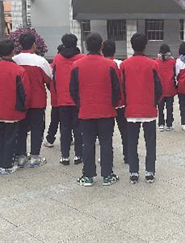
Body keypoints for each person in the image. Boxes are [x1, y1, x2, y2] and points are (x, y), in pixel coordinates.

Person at [71, 33, 121, 187]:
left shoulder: (77, 65)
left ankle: (88, 176)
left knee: (88, 143)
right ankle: (107, 175)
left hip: (86, 111)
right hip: (106, 111)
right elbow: (117, 90)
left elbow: (73, 90)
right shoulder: (110, 65)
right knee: (106, 143)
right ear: (101, 46)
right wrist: (112, 104)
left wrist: (81, 104)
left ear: (86, 46)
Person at [120, 33, 162, 184]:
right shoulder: (153, 64)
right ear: (145, 46)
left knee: (132, 142)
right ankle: (149, 172)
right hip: (148, 109)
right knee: (150, 142)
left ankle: (134, 172)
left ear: (131, 45)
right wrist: (154, 103)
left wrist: (126, 103)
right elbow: (159, 88)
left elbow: (122, 88)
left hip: (131, 109)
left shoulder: (124, 65)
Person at [0, 40, 31, 175]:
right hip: (12, 110)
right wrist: (24, 107)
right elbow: (25, 93)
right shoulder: (19, 70)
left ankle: (0, 163)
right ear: (13, 52)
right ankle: (7, 165)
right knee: (10, 138)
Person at [13, 34, 52, 168]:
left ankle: (21, 155)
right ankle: (35, 156)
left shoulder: (14, 60)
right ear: (34, 44)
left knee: (21, 128)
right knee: (37, 128)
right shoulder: (40, 61)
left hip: (20, 101)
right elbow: (48, 79)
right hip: (37, 100)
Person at [52, 34, 84, 166]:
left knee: (64, 128)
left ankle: (65, 156)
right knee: (78, 128)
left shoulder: (57, 58)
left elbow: (53, 77)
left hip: (62, 99)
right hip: (78, 99)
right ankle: (78, 155)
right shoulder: (82, 58)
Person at [103, 40, 128, 164]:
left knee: (106, 134)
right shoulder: (121, 64)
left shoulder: (101, 64)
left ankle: (106, 156)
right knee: (125, 131)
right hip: (121, 102)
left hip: (106, 104)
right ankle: (128, 155)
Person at [44, 44, 64, 148]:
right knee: (69, 121)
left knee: (54, 121)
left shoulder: (51, 66)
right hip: (67, 99)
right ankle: (69, 138)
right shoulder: (69, 63)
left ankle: (50, 139)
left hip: (56, 98)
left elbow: (48, 81)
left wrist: (52, 91)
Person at [156, 44, 177, 131]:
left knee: (160, 108)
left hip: (160, 88)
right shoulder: (173, 61)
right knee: (169, 107)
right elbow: (175, 73)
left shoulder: (156, 61)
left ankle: (161, 124)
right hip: (170, 87)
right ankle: (169, 124)